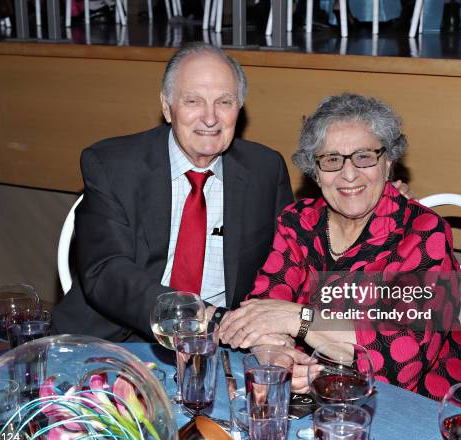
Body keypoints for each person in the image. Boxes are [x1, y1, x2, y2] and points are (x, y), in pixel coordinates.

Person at [219, 93, 461, 400]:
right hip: (326, 392)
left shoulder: (422, 233)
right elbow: (265, 307)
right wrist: (277, 357)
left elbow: (402, 355)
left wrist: (298, 319)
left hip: (428, 405)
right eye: (332, 160)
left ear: (387, 163)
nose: (349, 174)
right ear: (315, 171)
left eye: (364, 157)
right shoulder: (298, 221)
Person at [52, 42, 294, 341]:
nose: (210, 118)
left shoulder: (265, 170)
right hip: (122, 337)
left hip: (223, 345)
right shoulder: (112, 164)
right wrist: (202, 316)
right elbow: (106, 271)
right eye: (193, 101)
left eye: (224, 102)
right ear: (167, 107)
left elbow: (286, 264)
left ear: (239, 109)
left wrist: (272, 328)